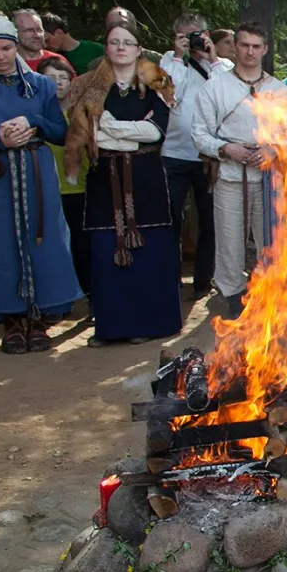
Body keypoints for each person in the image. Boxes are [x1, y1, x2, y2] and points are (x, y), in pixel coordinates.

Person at [0, 15, 82, 353]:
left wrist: (34, 123)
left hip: (36, 171)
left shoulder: (41, 85)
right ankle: (11, 320)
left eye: (6, 48)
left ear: (16, 45)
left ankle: (41, 318)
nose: (0, 56)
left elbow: (61, 131)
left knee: (45, 240)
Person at [65, 21, 182, 347]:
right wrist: (127, 131)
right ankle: (110, 327)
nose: (120, 47)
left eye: (127, 42)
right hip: (104, 178)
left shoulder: (157, 85)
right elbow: (89, 134)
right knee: (105, 252)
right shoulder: (87, 87)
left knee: (148, 252)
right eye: (114, 42)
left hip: (145, 177)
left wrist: (112, 128)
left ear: (138, 49)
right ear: (106, 47)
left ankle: (147, 323)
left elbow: (156, 132)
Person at [192, 21, 287, 319]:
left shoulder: (277, 89)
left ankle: (268, 298)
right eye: (244, 45)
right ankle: (233, 301)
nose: (250, 51)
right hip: (230, 176)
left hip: (269, 178)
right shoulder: (215, 87)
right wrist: (226, 149)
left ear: (265, 49)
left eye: (256, 46)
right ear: (235, 47)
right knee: (230, 241)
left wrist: (272, 150)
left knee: (270, 242)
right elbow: (199, 134)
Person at [161, 13, 229, 299]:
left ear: (207, 33)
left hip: (208, 157)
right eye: (185, 35)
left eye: (197, 34)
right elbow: (167, 93)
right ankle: (169, 279)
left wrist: (211, 58)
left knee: (209, 220)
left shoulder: (222, 65)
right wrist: (180, 56)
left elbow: (227, 93)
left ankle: (203, 280)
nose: (193, 40)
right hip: (173, 153)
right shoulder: (167, 61)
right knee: (171, 219)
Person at [37, 56, 91, 298]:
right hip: (45, 192)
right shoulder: (35, 116)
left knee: (83, 247)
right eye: (50, 78)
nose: (58, 83)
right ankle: (58, 299)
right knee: (53, 249)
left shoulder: (83, 114)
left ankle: (91, 296)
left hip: (80, 191)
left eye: (63, 78)